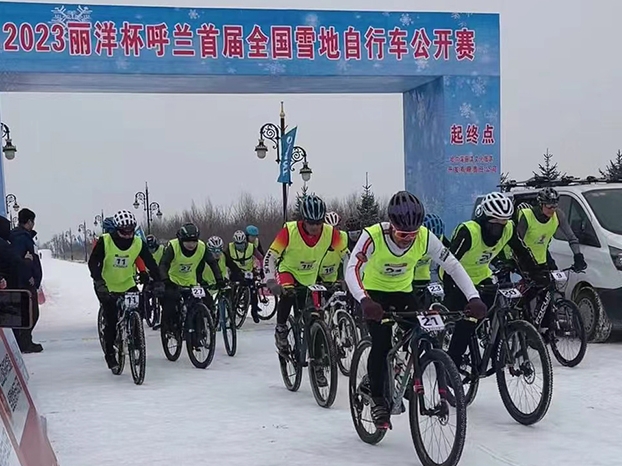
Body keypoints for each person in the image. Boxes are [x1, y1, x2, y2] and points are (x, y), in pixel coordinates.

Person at [345, 190, 486, 429]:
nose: (408, 239)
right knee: (382, 343)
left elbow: (452, 265)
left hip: (403, 292)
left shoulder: (425, 237)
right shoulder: (373, 236)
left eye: (413, 234)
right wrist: (364, 300)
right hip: (373, 293)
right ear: (391, 226)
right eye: (402, 234)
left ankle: (410, 372)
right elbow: (352, 269)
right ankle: (378, 398)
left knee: (425, 333)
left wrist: (473, 297)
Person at [443, 192, 531, 370]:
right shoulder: (469, 232)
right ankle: (452, 367)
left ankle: (496, 351)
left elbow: (523, 252)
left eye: (503, 223)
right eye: (495, 224)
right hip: (457, 278)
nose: (499, 229)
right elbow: (449, 264)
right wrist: (450, 292)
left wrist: (536, 272)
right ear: (484, 221)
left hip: (482, 275)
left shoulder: (509, 229)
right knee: (467, 323)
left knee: (495, 310)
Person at [264, 194, 348, 357]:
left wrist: (347, 279)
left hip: (311, 276)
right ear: (303, 219)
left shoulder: (330, 232)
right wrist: (271, 281)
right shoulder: (290, 231)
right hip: (289, 271)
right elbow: (270, 256)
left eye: (319, 222)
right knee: (288, 294)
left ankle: (318, 356)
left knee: (316, 315)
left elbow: (346, 256)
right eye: (311, 222)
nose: (315, 227)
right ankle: (281, 329)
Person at [88, 210, 163, 371]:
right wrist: (99, 281)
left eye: (131, 231)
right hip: (107, 285)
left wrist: (156, 280)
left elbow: (149, 261)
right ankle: (110, 353)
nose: (128, 236)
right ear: (117, 230)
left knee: (138, 309)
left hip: (127, 283)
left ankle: (135, 338)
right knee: (111, 318)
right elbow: (93, 263)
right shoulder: (105, 241)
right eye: (124, 232)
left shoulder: (138, 242)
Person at [159, 223, 224, 335]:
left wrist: (219, 280)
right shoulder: (173, 247)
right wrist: (165, 280)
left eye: (194, 241)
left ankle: (198, 331)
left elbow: (212, 263)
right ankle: (169, 327)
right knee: (170, 303)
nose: (191, 245)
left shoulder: (202, 247)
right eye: (187, 241)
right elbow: (163, 264)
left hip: (191, 282)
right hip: (173, 281)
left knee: (199, 303)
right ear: (181, 240)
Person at [515, 187, 587, 273]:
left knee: (555, 277)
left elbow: (571, 237)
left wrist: (578, 256)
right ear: (541, 204)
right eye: (549, 206)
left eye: (555, 206)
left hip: (543, 257)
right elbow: (517, 243)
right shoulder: (527, 216)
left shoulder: (558, 215)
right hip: (524, 259)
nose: (552, 209)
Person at [9, 208, 43, 353]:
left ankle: (25, 341)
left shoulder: (23, 237)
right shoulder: (21, 238)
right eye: (33, 221)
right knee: (30, 313)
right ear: (29, 221)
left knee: (29, 313)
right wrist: (29, 277)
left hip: (26, 282)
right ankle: (24, 343)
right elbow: (19, 261)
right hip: (25, 283)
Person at [226, 229, 264, 323]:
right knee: (233, 289)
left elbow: (261, 258)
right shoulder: (229, 248)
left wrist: (262, 270)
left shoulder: (251, 247)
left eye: (242, 244)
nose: (240, 246)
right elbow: (225, 260)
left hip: (248, 272)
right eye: (237, 244)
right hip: (235, 272)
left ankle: (254, 312)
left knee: (253, 291)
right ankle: (232, 308)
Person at [318, 211, 349, 287]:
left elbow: (347, 258)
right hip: (315, 276)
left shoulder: (343, 237)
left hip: (332, 278)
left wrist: (347, 280)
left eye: (336, 228)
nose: (333, 233)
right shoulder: (317, 239)